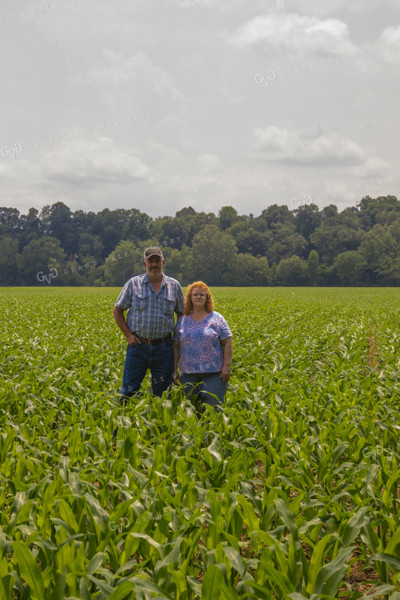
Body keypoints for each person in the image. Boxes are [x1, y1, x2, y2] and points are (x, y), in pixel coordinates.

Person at [113, 247, 184, 402]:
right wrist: (128, 335)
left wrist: (176, 339)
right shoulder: (133, 284)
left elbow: (181, 313)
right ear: (144, 263)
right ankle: (122, 423)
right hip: (138, 347)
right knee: (128, 392)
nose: (154, 264)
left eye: (157, 260)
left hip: (164, 348)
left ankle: (158, 426)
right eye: (150, 261)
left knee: (162, 394)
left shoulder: (174, 285)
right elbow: (118, 310)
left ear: (163, 262)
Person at [173, 281, 232, 411]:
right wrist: (174, 370)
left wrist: (227, 367)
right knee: (192, 410)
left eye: (202, 295)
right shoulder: (183, 319)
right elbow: (176, 345)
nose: (198, 297)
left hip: (213, 373)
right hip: (188, 374)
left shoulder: (217, 319)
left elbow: (227, 341)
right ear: (190, 298)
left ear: (207, 298)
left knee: (213, 410)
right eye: (195, 295)